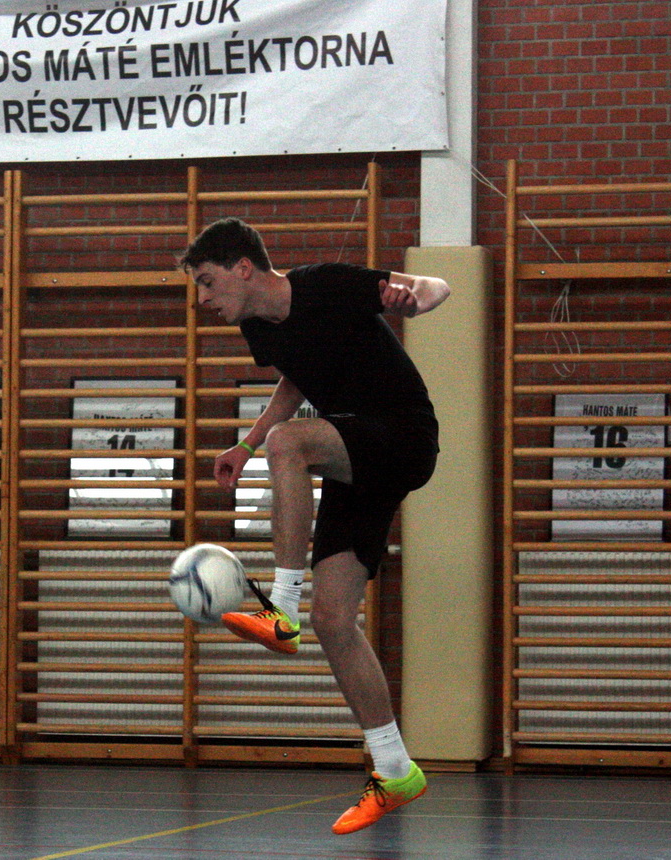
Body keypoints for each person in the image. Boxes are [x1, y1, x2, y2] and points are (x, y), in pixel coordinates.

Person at [178, 218, 450, 835]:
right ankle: (395, 769)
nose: (204, 298)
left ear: (243, 268)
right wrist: (246, 445)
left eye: (208, 282)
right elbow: (296, 378)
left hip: (403, 435)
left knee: (290, 442)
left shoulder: (327, 285)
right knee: (333, 620)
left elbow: (436, 286)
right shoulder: (258, 327)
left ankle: (281, 607)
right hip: (355, 454)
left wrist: (414, 298)